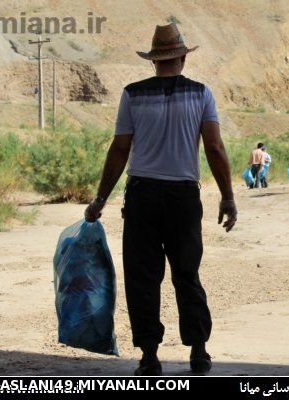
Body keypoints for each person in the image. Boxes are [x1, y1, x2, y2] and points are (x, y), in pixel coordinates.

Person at [84, 23, 237, 376]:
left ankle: (150, 356)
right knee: (187, 274)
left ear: (154, 61)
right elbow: (214, 148)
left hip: (142, 197)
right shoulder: (201, 94)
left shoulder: (132, 94)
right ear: (182, 58)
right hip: (183, 198)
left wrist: (100, 198)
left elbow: (120, 148)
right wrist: (228, 197)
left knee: (142, 277)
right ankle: (199, 352)